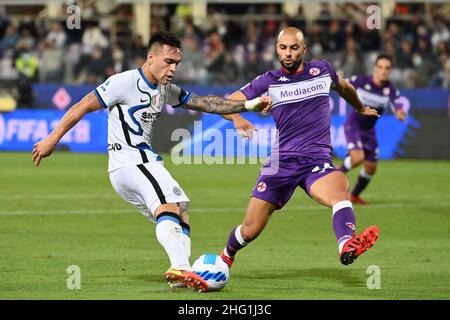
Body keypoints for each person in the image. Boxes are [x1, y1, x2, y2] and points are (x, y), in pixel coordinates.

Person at [32, 31, 271, 292]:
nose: (172, 69)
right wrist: (51, 139)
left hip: (139, 164)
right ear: (151, 57)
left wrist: (248, 106)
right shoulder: (123, 82)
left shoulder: (166, 89)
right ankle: (180, 267)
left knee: (181, 214)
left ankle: (183, 273)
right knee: (168, 207)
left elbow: (207, 103)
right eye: (168, 62)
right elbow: (81, 106)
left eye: (176, 64)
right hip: (131, 160)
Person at [219, 27, 380, 272]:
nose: (288, 53)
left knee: (339, 191)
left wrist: (359, 107)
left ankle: (347, 245)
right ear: (276, 48)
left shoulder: (322, 70)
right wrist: (238, 117)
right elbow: (227, 102)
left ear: (304, 49)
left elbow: (345, 88)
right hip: (281, 163)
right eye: (283, 47)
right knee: (251, 229)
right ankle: (226, 256)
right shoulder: (269, 81)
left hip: (316, 160)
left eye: (294, 48)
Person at [338, 54, 407, 204]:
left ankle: (354, 195)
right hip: (354, 125)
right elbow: (342, 84)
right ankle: (335, 175)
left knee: (371, 168)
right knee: (357, 158)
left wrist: (400, 113)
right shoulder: (362, 81)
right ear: (375, 68)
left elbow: (398, 107)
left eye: (387, 68)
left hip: (369, 131)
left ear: (390, 70)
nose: (383, 71)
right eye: (380, 67)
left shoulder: (391, 90)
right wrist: (338, 78)